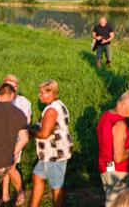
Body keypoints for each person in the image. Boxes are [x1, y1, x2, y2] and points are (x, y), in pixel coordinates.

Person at [30, 79, 72, 207]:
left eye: (42, 93)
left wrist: (30, 131)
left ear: (52, 93)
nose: (39, 95)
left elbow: (44, 134)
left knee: (56, 186)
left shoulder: (51, 110)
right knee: (37, 176)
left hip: (54, 154)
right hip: (50, 153)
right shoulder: (59, 104)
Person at [97, 90, 129, 206]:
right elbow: (119, 157)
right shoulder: (120, 124)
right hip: (118, 172)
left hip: (105, 168)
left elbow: (109, 140)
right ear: (122, 105)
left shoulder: (105, 115)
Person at [1, 74, 33, 205]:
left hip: (17, 138)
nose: (12, 90)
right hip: (2, 137)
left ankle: (20, 192)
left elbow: (26, 122)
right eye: (9, 87)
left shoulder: (23, 102)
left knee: (10, 168)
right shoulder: (1, 99)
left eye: (14, 87)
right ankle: (5, 194)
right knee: (4, 167)